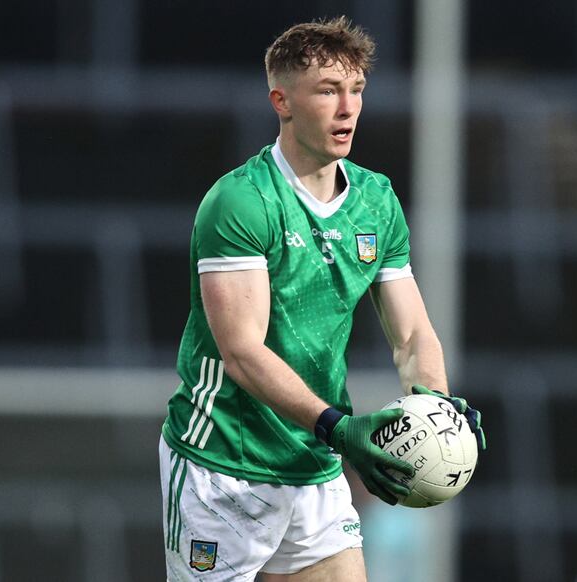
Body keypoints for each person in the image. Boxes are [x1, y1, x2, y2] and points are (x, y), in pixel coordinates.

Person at [159, 16, 485, 581]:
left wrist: (436, 408)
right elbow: (241, 351)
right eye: (328, 91)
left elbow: (412, 335)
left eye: (356, 90)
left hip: (312, 463)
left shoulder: (376, 201)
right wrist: (336, 425)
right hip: (224, 464)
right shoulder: (241, 201)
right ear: (281, 101)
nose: (347, 108)